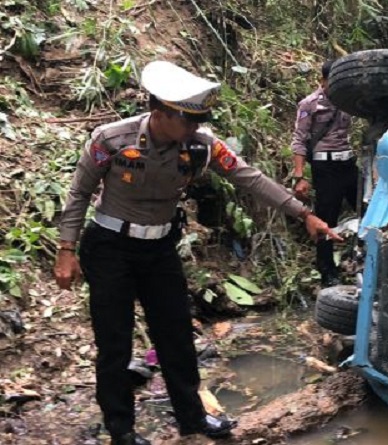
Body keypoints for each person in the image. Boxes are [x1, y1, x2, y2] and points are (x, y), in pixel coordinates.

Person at [53, 60, 342, 445]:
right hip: (109, 248)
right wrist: (66, 250)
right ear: (158, 111)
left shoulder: (201, 146)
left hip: (159, 248)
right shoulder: (111, 140)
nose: (193, 127)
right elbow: (79, 194)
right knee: (114, 342)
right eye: (186, 119)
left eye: (198, 119)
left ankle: (192, 420)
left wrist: (304, 213)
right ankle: (121, 429)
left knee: (176, 336)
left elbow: (249, 177)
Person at [291, 60, 358, 286]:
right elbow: (299, 140)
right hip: (325, 167)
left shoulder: (349, 101)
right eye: (333, 82)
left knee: (367, 211)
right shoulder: (309, 104)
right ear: (323, 81)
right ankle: (327, 271)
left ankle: (362, 260)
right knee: (326, 219)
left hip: (348, 163)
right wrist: (299, 176)